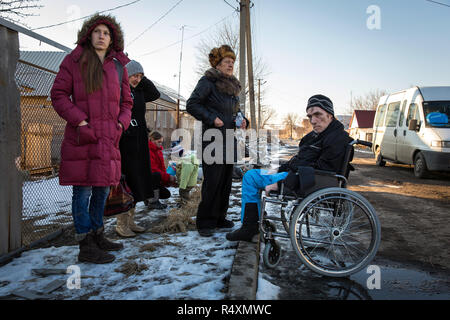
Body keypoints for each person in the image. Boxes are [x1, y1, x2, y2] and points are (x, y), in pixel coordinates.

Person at [50, 14, 133, 263]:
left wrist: (121, 123)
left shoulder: (118, 66)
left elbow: (127, 101)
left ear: (112, 38)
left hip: (109, 138)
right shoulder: (74, 60)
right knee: (83, 191)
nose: (101, 36)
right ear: (89, 34)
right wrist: (81, 121)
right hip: (83, 138)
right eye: (96, 31)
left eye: (106, 33)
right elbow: (59, 94)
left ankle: (98, 236)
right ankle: (85, 244)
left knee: (101, 190)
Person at [226, 95, 353, 242]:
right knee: (253, 173)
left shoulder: (336, 138)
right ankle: (253, 223)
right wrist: (278, 168)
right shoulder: (319, 135)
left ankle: (250, 228)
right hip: (297, 175)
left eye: (318, 115)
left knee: (251, 178)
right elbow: (300, 161)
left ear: (330, 115)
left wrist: (280, 183)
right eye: (310, 116)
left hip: (305, 181)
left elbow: (317, 172)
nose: (313, 121)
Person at [186, 45, 248, 237]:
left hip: (229, 138)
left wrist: (243, 119)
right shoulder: (208, 82)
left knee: (225, 182)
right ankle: (205, 222)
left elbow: (235, 110)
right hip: (212, 139)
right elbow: (192, 104)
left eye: (232, 62)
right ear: (218, 64)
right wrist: (211, 118)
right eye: (226, 62)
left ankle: (220, 218)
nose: (230, 65)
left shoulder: (232, 87)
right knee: (212, 182)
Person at [115, 60, 161, 237]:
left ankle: (131, 221)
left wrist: (143, 76)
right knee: (126, 182)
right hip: (125, 141)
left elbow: (155, 93)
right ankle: (121, 224)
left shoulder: (140, 90)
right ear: (126, 74)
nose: (137, 79)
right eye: (134, 75)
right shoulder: (120, 90)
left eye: (140, 76)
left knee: (137, 181)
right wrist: (128, 73)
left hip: (140, 141)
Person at [147, 131, 176, 209]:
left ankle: (148, 198)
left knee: (166, 194)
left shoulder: (158, 151)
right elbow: (154, 170)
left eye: (161, 142)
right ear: (152, 140)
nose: (160, 144)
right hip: (147, 178)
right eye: (158, 141)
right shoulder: (148, 151)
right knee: (156, 175)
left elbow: (162, 168)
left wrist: (167, 181)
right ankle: (152, 202)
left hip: (154, 179)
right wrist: (167, 177)